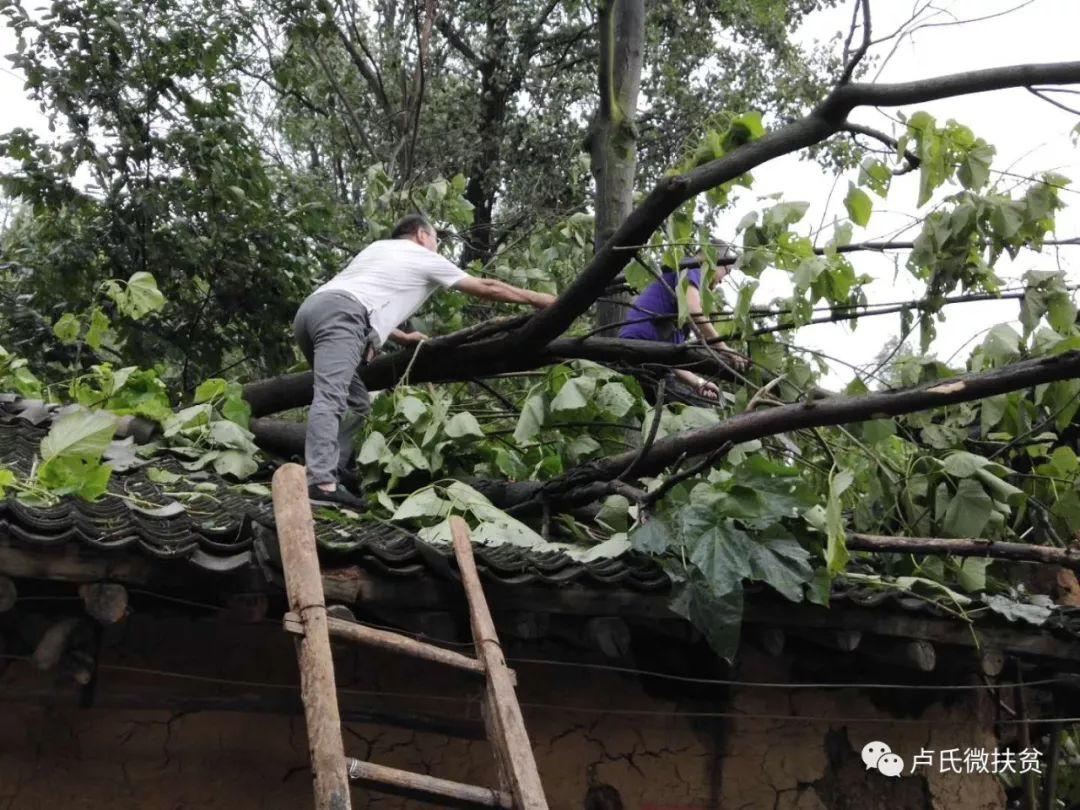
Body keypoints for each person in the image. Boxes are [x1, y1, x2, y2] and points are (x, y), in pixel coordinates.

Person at [293, 213, 556, 507]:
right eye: (435, 240)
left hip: (311, 313)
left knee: (357, 401)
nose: (437, 248)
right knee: (332, 396)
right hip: (341, 317)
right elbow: (487, 288)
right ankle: (321, 484)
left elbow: (362, 297)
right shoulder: (420, 254)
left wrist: (402, 338)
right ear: (421, 235)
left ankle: (335, 472)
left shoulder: (377, 249)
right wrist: (538, 299)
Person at [618, 246, 747, 402]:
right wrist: (723, 348)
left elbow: (671, 357)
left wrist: (698, 382)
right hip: (642, 350)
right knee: (698, 413)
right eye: (726, 271)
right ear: (713, 259)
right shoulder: (692, 266)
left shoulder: (677, 311)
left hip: (646, 357)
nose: (722, 280)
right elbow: (694, 309)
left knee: (693, 408)